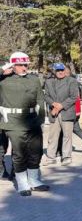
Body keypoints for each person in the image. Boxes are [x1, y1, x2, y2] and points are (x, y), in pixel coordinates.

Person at [0, 52, 49, 196]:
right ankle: (22, 183)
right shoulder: (3, 80)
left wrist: (41, 119)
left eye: (26, 65)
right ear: (13, 66)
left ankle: (34, 180)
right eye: (20, 65)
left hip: (32, 120)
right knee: (20, 154)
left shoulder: (33, 80)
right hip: (12, 121)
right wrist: (2, 71)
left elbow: (40, 100)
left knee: (36, 151)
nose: (24, 68)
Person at [44, 63, 79, 166]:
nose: (60, 72)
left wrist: (60, 106)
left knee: (67, 136)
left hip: (66, 112)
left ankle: (66, 157)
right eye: (58, 70)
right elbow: (46, 96)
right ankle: (51, 157)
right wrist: (53, 104)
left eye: (62, 70)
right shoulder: (49, 82)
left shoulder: (71, 81)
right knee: (52, 136)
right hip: (54, 113)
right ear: (54, 71)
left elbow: (73, 97)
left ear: (65, 70)